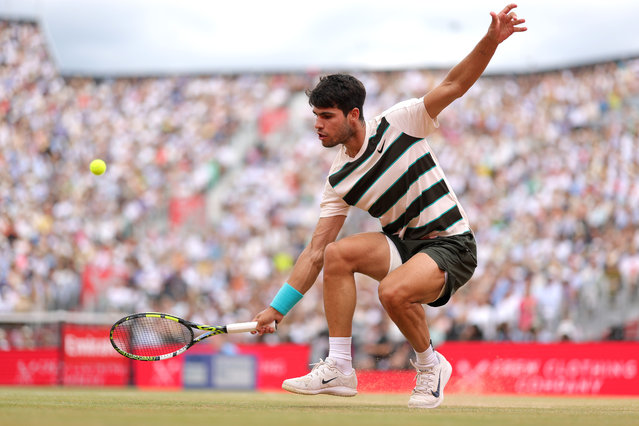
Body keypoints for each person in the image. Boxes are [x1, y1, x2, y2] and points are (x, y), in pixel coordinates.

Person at [253, 4, 526, 408]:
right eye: (315, 116)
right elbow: (313, 255)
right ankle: (341, 368)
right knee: (335, 254)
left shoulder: (400, 122)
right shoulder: (339, 179)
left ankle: (431, 366)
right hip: (404, 245)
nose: (318, 125)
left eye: (326, 116)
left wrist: (491, 40)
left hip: (451, 244)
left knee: (392, 292)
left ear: (354, 115)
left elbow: (454, 85)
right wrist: (278, 308)